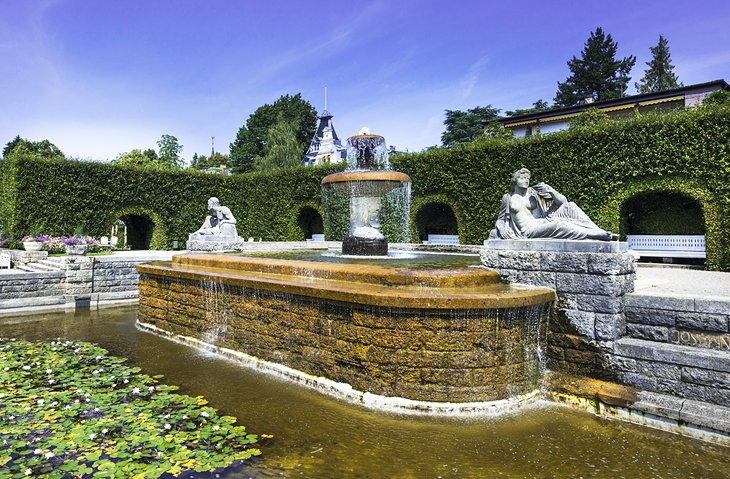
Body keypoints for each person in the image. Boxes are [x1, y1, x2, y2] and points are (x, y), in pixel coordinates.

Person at [490, 168, 615, 241]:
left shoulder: (534, 193)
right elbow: (500, 220)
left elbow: (563, 202)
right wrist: (501, 228)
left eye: (528, 178)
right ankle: (592, 235)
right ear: (514, 181)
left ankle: (598, 230)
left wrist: (551, 191)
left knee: (570, 206)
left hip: (544, 220)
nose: (526, 180)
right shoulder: (508, 198)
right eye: (522, 178)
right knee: (558, 225)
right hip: (528, 230)